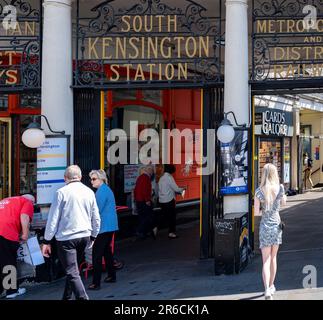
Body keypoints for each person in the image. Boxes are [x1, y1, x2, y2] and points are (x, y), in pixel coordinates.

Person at [41, 165, 100, 300]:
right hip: (84, 235)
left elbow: (53, 218)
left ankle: (83, 297)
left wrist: (46, 240)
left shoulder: (61, 192)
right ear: (79, 177)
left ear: (65, 178)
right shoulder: (89, 192)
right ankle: (66, 297)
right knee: (74, 271)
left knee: (72, 271)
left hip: (67, 238)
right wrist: (94, 235)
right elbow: (96, 217)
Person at [254, 163, 286, 300]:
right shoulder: (280, 188)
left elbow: (256, 212)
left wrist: (263, 208)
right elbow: (283, 203)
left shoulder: (259, 191)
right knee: (273, 258)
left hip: (265, 226)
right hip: (277, 226)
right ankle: (272, 285)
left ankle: (267, 289)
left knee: (265, 260)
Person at [88, 169, 119, 290]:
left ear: (101, 179)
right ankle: (112, 275)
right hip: (109, 225)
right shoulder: (105, 189)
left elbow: (96, 210)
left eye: (94, 179)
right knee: (106, 252)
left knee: (97, 254)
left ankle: (96, 283)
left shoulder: (101, 191)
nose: (91, 181)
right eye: (91, 179)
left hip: (104, 227)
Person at [0, 194, 35, 299]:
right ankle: (11, 291)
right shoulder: (27, 202)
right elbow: (24, 216)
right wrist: (25, 234)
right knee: (8, 262)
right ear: (31, 201)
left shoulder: (5, 200)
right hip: (5, 233)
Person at [158, 164, 185, 239]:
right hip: (169, 200)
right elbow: (176, 188)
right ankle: (171, 233)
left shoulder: (161, 178)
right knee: (172, 217)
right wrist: (182, 189)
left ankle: (155, 227)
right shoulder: (169, 177)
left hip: (162, 200)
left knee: (163, 216)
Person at [133, 165, 157, 239]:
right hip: (143, 201)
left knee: (142, 217)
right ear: (148, 170)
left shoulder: (140, 177)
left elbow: (135, 189)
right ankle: (140, 231)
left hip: (139, 200)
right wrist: (147, 200)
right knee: (147, 217)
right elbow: (145, 190)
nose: (152, 172)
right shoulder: (146, 178)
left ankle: (143, 232)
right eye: (152, 170)